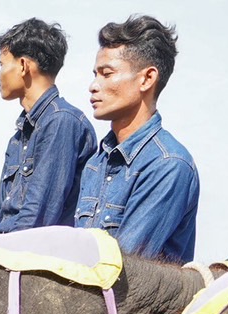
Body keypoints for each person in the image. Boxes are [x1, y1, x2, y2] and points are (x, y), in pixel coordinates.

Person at [73, 15, 200, 261]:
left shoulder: (168, 164)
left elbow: (121, 267)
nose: (93, 85)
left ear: (146, 79)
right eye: (95, 74)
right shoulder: (95, 164)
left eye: (106, 74)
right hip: (85, 296)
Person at [0, 18, 98, 238]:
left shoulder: (61, 121)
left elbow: (39, 216)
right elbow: (1, 210)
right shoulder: (19, 136)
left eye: (2, 64)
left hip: (29, 254)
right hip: (4, 248)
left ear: (24, 65)